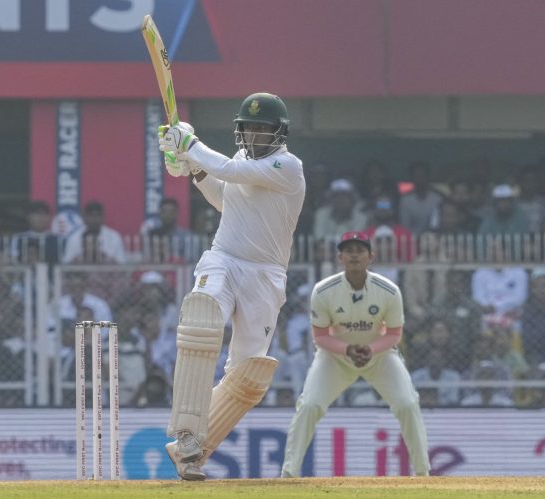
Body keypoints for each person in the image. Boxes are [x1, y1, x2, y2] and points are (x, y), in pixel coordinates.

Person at [157, 92, 305, 480]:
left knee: (249, 376)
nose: (253, 135)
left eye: (262, 129)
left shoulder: (287, 166)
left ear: (278, 133)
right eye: (248, 128)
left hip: (266, 275)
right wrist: (193, 167)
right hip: (223, 258)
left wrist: (189, 145)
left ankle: (191, 453)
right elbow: (226, 198)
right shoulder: (241, 161)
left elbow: (228, 170)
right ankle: (186, 431)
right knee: (202, 316)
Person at [280, 231, 430, 477]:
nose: (354, 255)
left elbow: (394, 334)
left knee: (407, 403)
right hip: (336, 357)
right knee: (309, 405)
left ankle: (423, 473)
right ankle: (289, 472)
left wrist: (371, 349)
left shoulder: (389, 290)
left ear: (371, 256)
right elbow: (320, 337)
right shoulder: (323, 291)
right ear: (339, 257)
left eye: (360, 251)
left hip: (379, 355)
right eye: (348, 251)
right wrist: (347, 350)